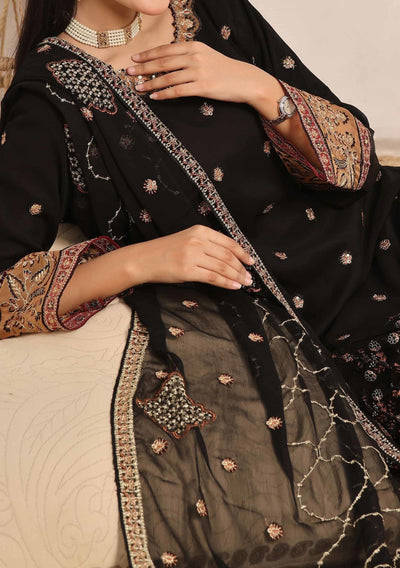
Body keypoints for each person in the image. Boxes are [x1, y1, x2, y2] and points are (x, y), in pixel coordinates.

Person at [1, 0, 400, 565]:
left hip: (377, 242)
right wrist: (142, 260)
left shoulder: (213, 12)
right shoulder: (48, 98)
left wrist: (258, 87)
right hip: (271, 320)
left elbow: (357, 164)